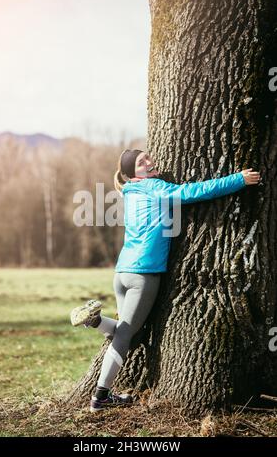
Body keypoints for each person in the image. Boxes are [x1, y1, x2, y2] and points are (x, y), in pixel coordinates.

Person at [70, 149, 261, 412]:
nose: (149, 162)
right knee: (126, 335)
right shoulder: (152, 186)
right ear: (131, 172)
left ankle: (96, 321)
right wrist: (237, 180)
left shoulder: (131, 192)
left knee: (131, 335)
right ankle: (100, 397)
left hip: (123, 272)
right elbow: (191, 193)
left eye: (148, 157)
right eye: (141, 162)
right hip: (143, 274)